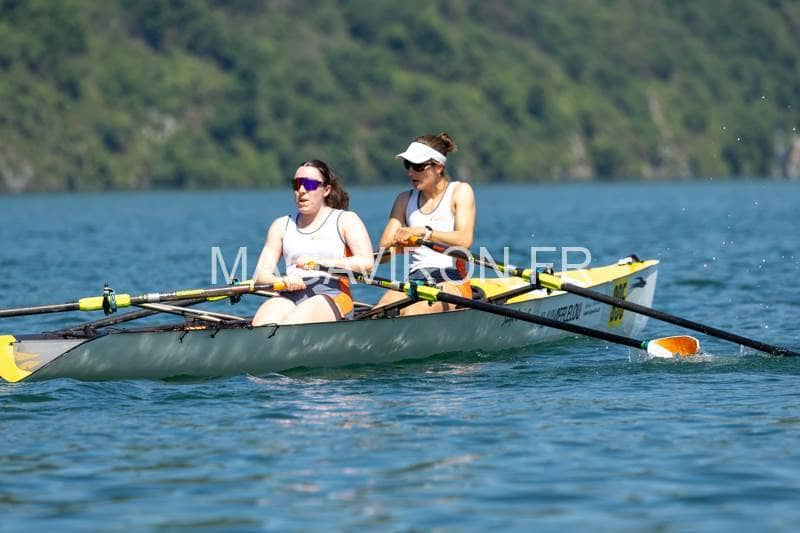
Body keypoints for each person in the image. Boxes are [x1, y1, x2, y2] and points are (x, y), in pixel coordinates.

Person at [251, 160, 373, 326]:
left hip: (332, 293)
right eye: (296, 184)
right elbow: (260, 276)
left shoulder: (346, 220)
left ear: (326, 190)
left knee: (292, 324)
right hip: (289, 293)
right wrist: (283, 280)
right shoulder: (280, 225)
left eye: (309, 184)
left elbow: (366, 263)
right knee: (261, 325)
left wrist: (319, 263)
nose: (301, 191)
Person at [376, 132, 476, 315]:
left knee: (413, 312)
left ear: (438, 167)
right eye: (408, 165)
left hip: (451, 279)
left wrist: (425, 233)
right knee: (379, 312)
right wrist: (396, 245)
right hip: (415, 281)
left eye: (418, 166)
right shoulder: (404, 200)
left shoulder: (460, 191)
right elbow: (383, 254)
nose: (411, 172)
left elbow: (464, 240)